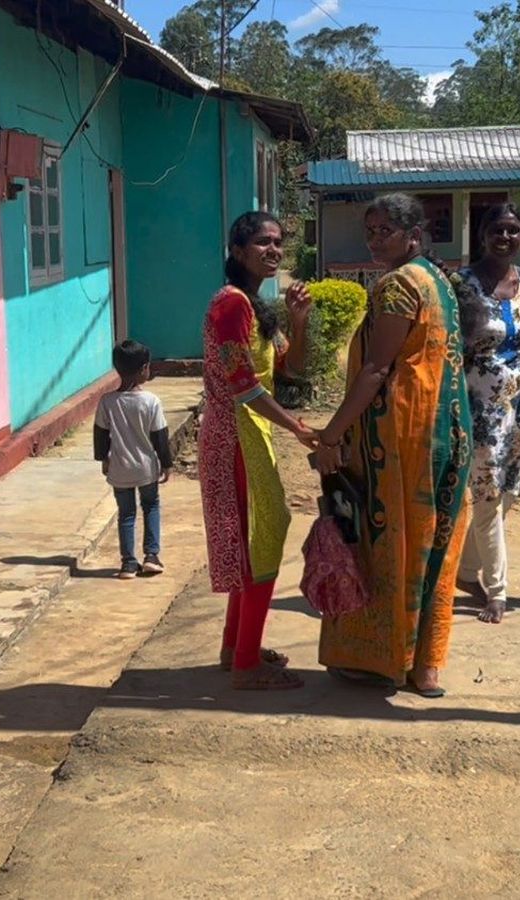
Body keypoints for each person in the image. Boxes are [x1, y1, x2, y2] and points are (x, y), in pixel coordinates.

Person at [312, 194, 473, 696]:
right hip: (446, 433)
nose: (375, 238)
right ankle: (424, 666)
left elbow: (376, 370)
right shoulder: (438, 281)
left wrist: (331, 434)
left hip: (402, 439)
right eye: (371, 230)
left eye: (385, 230)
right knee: (435, 547)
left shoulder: (399, 285)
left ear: (413, 235)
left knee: (391, 543)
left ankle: (383, 657)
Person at [199, 211, 318, 691]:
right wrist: (297, 428)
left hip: (250, 435)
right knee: (264, 536)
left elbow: (291, 370)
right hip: (235, 438)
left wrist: (299, 321)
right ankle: (246, 664)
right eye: (263, 242)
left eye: (278, 243)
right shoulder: (231, 306)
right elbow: (243, 386)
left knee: (254, 541)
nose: (274, 250)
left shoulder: (254, 303)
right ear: (237, 249)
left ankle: (237, 648)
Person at [457, 204, 520, 625]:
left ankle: (463, 572)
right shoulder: (461, 284)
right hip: (476, 406)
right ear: (482, 234)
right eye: (497, 230)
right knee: (487, 495)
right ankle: (496, 591)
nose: (505, 237)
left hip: (518, 407)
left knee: (509, 493)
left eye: (514, 231)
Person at [93, 340, 173, 580]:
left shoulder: (107, 402)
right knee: (150, 506)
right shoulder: (151, 401)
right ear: (143, 369)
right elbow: (160, 436)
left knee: (126, 514)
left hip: (120, 467)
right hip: (146, 467)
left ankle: (128, 563)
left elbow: (101, 434)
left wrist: (103, 460)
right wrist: (166, 463)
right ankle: (151, 556)